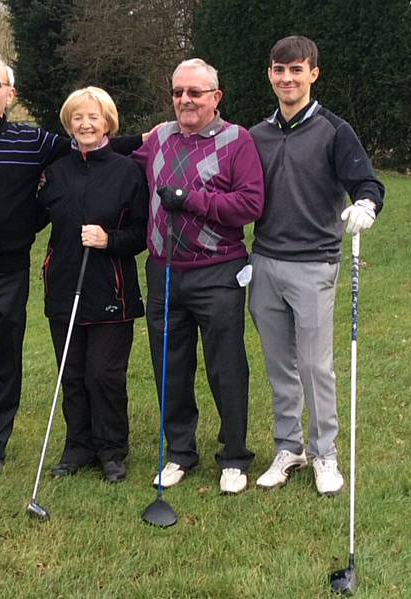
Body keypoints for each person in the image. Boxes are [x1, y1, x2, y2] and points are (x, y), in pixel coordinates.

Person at [0, 51, 144, 477]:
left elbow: (90, 145)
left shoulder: (34, 142)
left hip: (9, 273)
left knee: (5, 361)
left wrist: (151, 139)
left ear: (9, 94)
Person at [249, 36, 385, 495]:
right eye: (279, 70)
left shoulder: (333, 129)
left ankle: (325, 452)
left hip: (314, 265)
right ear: (270, 74)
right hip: (265, 261)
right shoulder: (258, 135)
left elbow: (366, 180)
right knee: (278, 365)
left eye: (296, 70)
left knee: (313, 365)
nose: (287, 78)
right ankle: (289, 447)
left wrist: (366, 203)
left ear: (313, 75)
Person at [133, 58, 265, 494]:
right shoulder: (160, 139)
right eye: (178, 92)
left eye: (194, 92)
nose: (185, 100)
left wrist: (191, 199)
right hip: (164, 271)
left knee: (226, 367)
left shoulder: (236, 141)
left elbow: (250, 205)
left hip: (218, 270)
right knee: (170, 364)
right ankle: (180, 452)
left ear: (215, 97)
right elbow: (118, 165)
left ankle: (234, 456)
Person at [36, 87, 148, 484]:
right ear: (68, 122)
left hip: (111, 290)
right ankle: (78, 447)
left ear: (108, 123)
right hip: (64, 288)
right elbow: (34, 217)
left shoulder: (127, 171)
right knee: (74, 375)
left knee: (104, 374)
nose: (85, 124)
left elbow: (142, 234)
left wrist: (108, 240)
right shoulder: (56, 171)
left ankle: (112, 449)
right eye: (77, 117)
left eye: (93, 117)